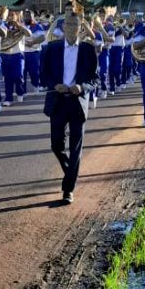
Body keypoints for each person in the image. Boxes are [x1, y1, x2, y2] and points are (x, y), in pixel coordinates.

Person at [40, 13, 98, 204]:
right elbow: (44, 74)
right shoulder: (52, 47)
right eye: (68, 24)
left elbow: (95, 79)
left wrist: (82, 87)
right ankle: (70, 172)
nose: (72, 27)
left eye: (76, 24)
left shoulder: (89, 50)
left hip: (77, 102)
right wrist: (55, 84)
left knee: (75, 147)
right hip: (57, 100)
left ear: (81, 28)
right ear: (63, 26)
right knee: (56, 145)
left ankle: (68, 189)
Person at [1, 9, 31, 106]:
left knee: (18, 76)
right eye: (8, 15)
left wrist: (18, 25)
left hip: (18, 54)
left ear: (17, 16)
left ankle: (20, 91)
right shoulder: (3, 25)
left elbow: (29, 34)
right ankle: (8, 98)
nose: (10, 17)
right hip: (5, 54)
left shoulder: (21, 26)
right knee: (8, 78)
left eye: (12, 15)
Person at [23, 8, 46, 92]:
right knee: (22, 73)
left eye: (29, 15)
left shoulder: (37, 26)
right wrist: (25, 43)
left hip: (34, 53)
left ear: (32, 16)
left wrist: (32, 42)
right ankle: (22, 91)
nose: (27, 17)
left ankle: (36, 85)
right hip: (23, 53)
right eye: (25, 15)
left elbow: (43, 37)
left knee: (34, 72)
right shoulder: (21, 26)